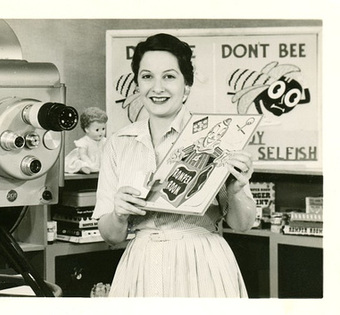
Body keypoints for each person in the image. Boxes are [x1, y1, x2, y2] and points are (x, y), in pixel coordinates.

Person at [92, 33, 256, 297]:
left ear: (186, 86)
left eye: (169, 76)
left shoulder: (217, 136)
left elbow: (243, 224)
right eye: (147, 77)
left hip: (203, 264)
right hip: (141, 266)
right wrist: (119, 214)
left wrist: (236, 192)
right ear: (137, 84)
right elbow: (111, 236)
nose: (157, 88)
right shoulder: (118, 143)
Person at [64, 107, 108, 174]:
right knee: (78, 163)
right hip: (84, 159)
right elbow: (83, 155)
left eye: (103, 129)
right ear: (87, 129)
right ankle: (83, 169)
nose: (101, 132)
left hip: (98, 162)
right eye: (97, 130)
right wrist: (90, 164)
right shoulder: (84, 142)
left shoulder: (104, 141)